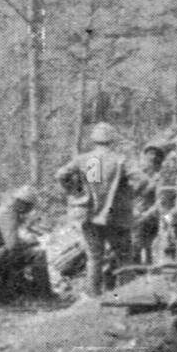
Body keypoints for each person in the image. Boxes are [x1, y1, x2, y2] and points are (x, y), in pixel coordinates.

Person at [55, 122, 134, 295]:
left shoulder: (88, 160)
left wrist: (75, 192)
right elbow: (141, 181)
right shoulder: (120, 159)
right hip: (116, 215)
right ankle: (128, 294)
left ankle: (93, 295)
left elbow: (62, 175)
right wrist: (129, 196)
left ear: (94, 140)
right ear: (112, 139)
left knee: (94, 257)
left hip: (90, 214)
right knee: (124, 257)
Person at [0, 185, 50, 298]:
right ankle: (44, 294)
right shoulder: (8, 215)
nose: (29, 210)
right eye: (29, 207)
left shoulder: (6, 210)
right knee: (38, 254)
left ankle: (29, 289)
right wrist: (30, 242)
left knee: (25, 251)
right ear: (22, 204)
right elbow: (12, 245)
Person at [131, 137, 177, 263]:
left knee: (144, 241)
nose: (152, 158)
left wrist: (147, 214)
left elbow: (163, 201)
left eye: (155, 155)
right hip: (137, 214)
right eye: (150, 154)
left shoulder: (162, 177)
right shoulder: (137, 174)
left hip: (152, 216)